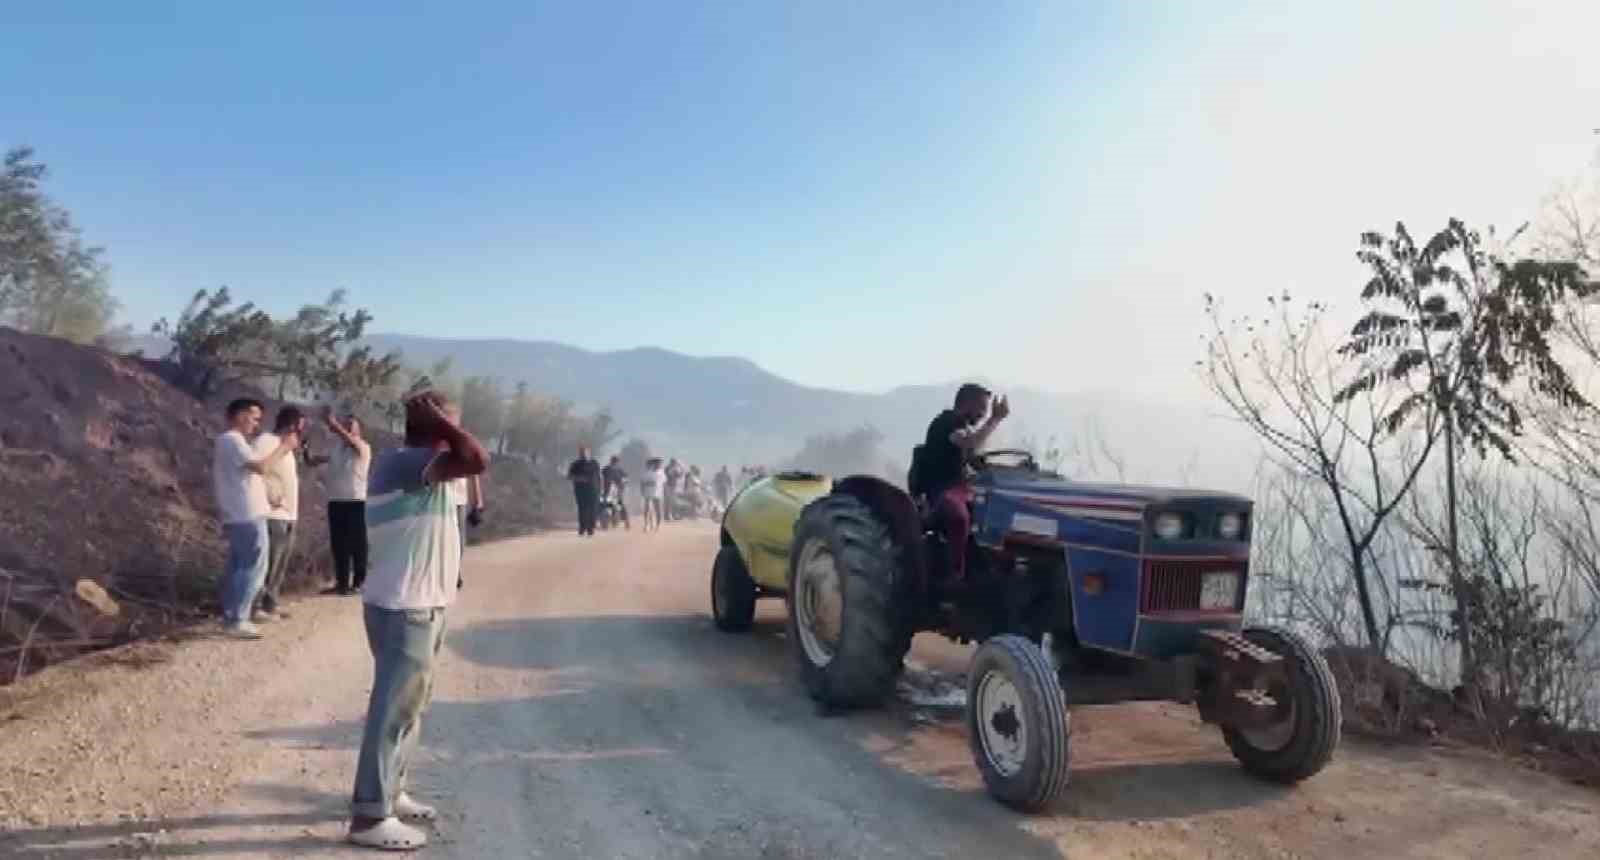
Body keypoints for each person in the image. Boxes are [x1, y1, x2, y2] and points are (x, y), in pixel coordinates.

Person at [348, 388, 488, 851]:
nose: (460, 430)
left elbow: (466, 489)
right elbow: (478, 457)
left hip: (425, 603)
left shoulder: (433, 471)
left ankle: (392, 790)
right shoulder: (405, 464)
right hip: (405, 606)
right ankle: (370, 816)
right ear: (433, 427)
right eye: (452, 422)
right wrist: (442, 425)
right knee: (391, 711)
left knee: (411, 707)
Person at [212, 398, 299, 639]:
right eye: (254, 417)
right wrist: (285, 447)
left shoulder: (234, 442)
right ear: (240, 415)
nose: (257, 423)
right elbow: (261, 467)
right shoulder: (231, 440)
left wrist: (269, 496)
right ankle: (239, 618)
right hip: (246, 514)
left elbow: (251, 475)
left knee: (240, 566)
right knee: (253, 566)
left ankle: (232, 615)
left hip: (244, 512)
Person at [921, 383, 1009, 585]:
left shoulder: (964, 428)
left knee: (997, 511)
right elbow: (971, 443)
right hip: (942, 489)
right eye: (982, 409)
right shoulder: (948, 422)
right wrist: (995, 419)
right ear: (966, 403)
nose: (983, 415)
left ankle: (995, 567)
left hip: (963, 487)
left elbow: (973, 457)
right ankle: (955, 574)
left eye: (987, 410)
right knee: (958, 516)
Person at [253, 405, 310, 621]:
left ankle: (270, 603)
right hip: (272, 515)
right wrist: (267, 494)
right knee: (267, 563)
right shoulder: (267, 442)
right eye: (299, 428)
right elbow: (256, 470)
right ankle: (256, 605)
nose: (300, 433)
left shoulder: (287, 448)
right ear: (290, 425)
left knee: (280, 564)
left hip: (289, 515)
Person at [321, 408, 371, 596]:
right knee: (339, 545)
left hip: (356, 501)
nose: (348, 428)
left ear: (359, 431)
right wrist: (306, 453)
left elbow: (349, 440)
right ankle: (341, 583)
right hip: (335, 501)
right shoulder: (336, 449)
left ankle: (360, 582)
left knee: (357, 544)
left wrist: (334, 426)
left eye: (352, 426)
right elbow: (318, 460)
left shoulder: (363, 447)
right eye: (346, 425)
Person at [567, 446, 602, 536]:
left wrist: (600, 488)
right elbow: (570, 476)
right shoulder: (575, 464)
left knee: (592, 509)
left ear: (589, 453)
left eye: (586, 453)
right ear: (580, 454)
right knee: (582, 509)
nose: (584, 454)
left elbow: (598, 477)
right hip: (580, 490)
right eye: (582, 453)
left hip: (593, 490)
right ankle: (582, 528)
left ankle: (590, 528)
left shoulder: (594, 463)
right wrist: (579, 479)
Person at [601, 455, 630, 530]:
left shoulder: (618, 470)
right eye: (614, 461)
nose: (615, 463)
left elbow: (626, 479)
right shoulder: (607, 469)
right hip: (609, 491)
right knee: (610, 506)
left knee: (615, 506)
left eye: (615, 461)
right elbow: (602, 478)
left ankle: (624, 522)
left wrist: (622, 484)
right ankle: (607, 523)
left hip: (616, 491)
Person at [639, 457, 665, 532]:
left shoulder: (661, 473)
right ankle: (647, 524)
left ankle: (658, 525)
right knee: (648, 509)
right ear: (654, 464)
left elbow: (663, 483)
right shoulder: (647, 472)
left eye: (660, 464)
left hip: (658, 493)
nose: (659, 465)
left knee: (658, 509)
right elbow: (642, 482)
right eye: (658, 463)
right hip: (648, 493)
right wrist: (642, 491)